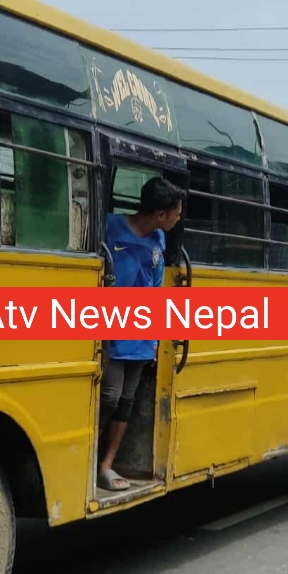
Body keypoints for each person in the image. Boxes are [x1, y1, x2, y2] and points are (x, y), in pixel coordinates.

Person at [97, 177, 185, 493]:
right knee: (108, 395)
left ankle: (106, 464)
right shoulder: (108, 227)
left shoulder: (158, 239)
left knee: (127, 400)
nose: (178, 219)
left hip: (141, 335)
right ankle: (89, 451)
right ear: (160, 213)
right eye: (176, 213)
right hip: (108, 329)